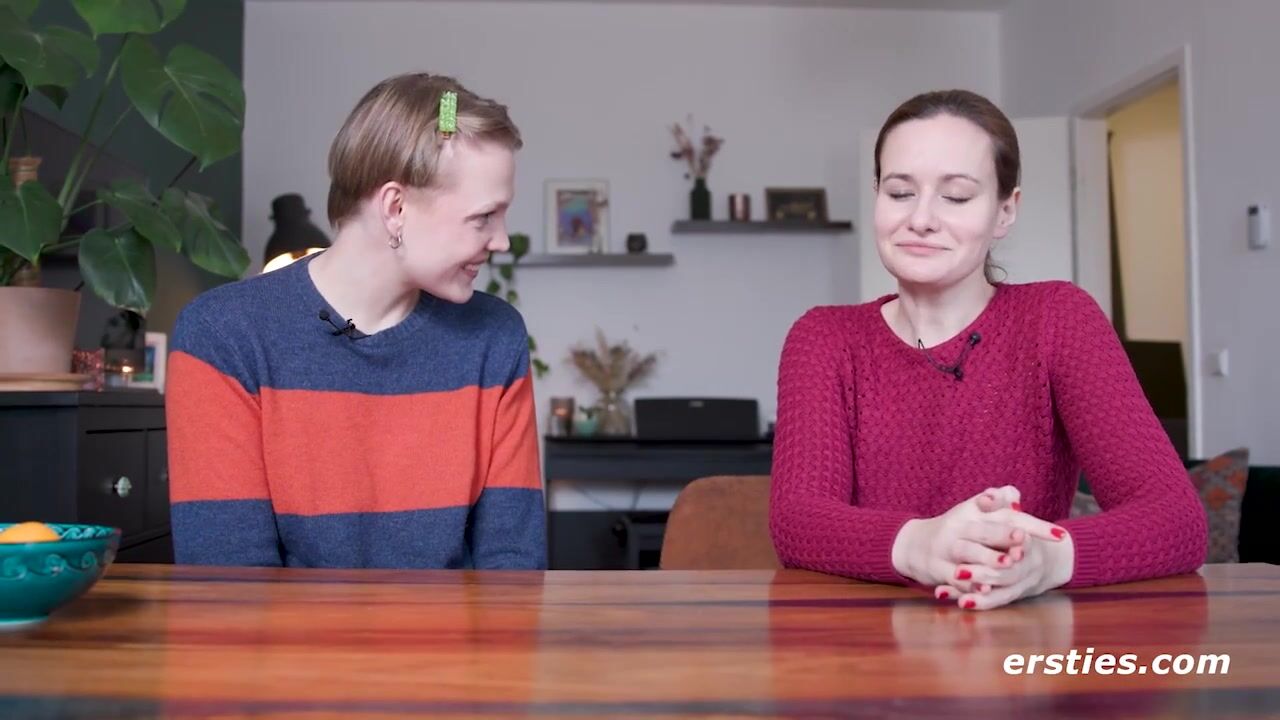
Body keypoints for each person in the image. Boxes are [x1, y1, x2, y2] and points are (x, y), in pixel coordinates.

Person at [769, 89, 1207, 610]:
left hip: (1021, 636)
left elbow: (1177, 520)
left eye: (956, 196)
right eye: (900, 192)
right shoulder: (823, 338)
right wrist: (920, 545)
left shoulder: (1057, 319)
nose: (921, 218)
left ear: (1005, 211)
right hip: (860, 638)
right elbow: (797, 521)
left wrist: (1048, 559)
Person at [166, 73, 545, 569]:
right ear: (396, 207)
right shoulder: (222, 335)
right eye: (484, 217)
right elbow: (230, 584)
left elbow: (512, 570)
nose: (501, 241)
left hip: (459, 627)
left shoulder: (495, 336)